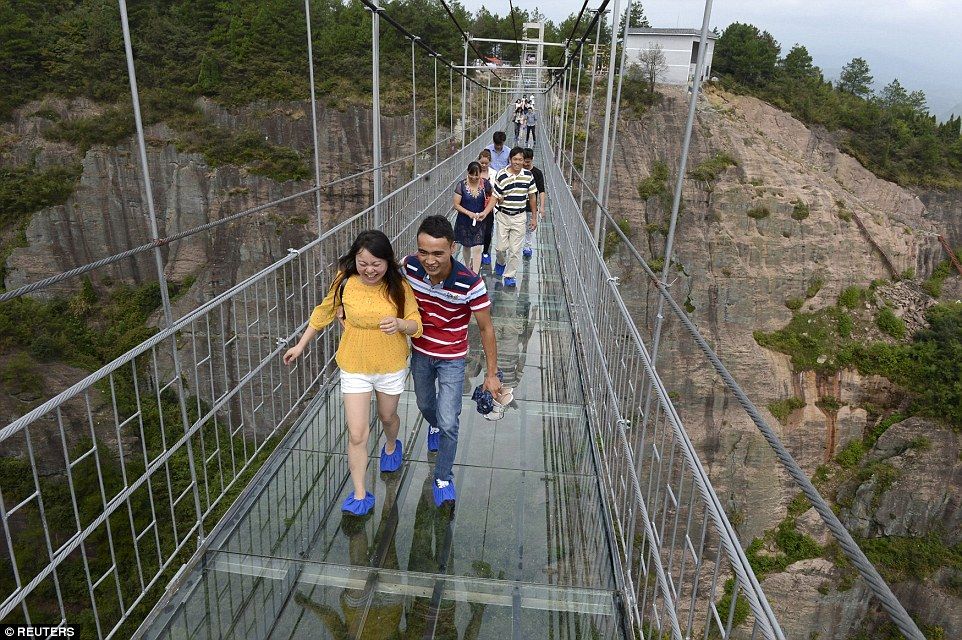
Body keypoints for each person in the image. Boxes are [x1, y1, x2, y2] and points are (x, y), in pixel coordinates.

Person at [284, 230, 422, 516]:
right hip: (354, 363)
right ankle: (360, 493)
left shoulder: (399, 285)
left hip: (390, 362)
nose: (369, 270)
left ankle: (392, 444)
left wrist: (400, 324)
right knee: (357, 433)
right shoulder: (344, 281)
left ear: (388, 261)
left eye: (376, 264)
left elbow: (415, 322)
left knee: (388, 417)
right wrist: (300, 345)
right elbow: (325, 310)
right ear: (354, 260)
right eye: (363, 263)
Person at [402, 216, 500, 506]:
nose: (429, 261)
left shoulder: (470, 283)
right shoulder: (409, 266)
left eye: (438, 253)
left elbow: (486, 328)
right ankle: (436, 423)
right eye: (423, 251)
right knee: (425, 405)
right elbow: (377, 276)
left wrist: (491, 374)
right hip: (420, 351)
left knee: (449, 421)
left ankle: (443, 476)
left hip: (452, 358)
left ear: (453, 248)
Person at [492, 147, 537, 287]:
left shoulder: (528, 176)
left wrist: (534, 217)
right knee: (500, 248)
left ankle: (510, 276)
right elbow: (495, 196)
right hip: (503, 215)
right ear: (510, 160)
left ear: (524, 161)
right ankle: (500, 261)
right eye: (515, 159)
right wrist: (486, 212)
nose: (517, 162)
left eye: (520, 159)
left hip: (519, 216)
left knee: (515, 250)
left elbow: (532, 196)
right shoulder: (501, 174)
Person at [452, 161, 494, 274]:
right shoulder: (461, 185)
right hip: (464, 220)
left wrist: (485, 212)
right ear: (467, 173)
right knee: (466, 246)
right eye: (472, 174)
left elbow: (492, 199)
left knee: (478, 247)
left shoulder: (485, 184)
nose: (474, 177)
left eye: (477, 175)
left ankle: (475, 274)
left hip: (480, 220)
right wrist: (468, 213)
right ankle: (467, 266)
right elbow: (456, 204)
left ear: (481, 174)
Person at [521, 148, 546, 258]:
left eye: (528, 161)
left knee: (530, 226)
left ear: (532, 160)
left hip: (531, 205)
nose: (525, 164)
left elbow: (541, 190)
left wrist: (542, 207)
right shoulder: (518, 171)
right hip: (518, 204)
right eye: (524, 161)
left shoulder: (537, 173)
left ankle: (527, 246)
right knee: (518, 227)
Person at [477, 149, 496, 267]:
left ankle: (485, 252)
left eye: (486, 163)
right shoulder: (473, 172)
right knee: (477, 230)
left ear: (489, 162)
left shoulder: (494, 173)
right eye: (481, 163)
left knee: (488, 230)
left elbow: (496, 190)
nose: (483, 165)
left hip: (489, 207)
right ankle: (477, 252)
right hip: (475, 207)